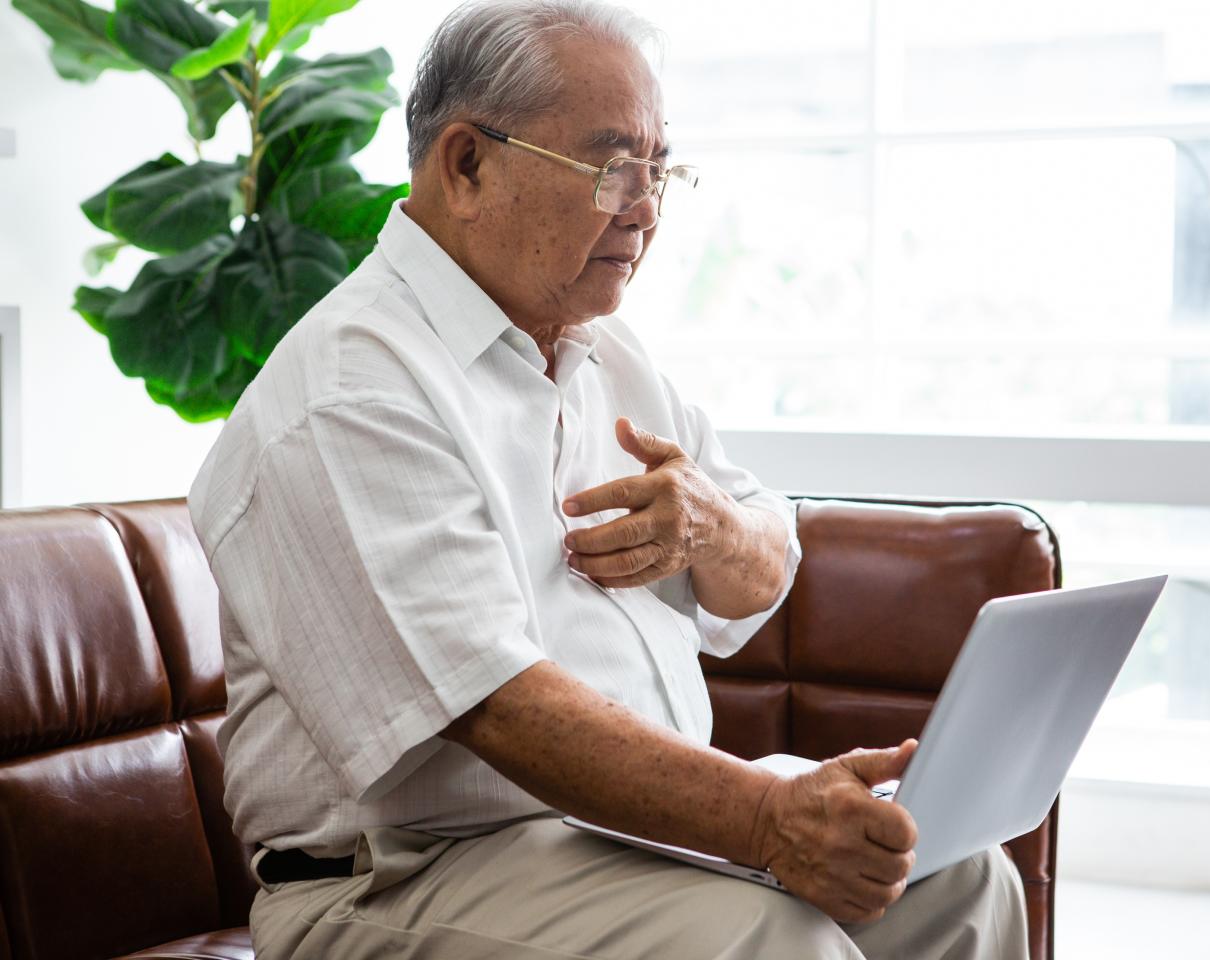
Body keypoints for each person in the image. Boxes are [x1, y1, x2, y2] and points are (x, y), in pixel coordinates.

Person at [187, 1, 1030, 957]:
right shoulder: (351, 390)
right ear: (467, 165)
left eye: (661, 168)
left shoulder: (607, 354)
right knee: (767, 934)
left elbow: (768, 564)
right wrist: (767, 819)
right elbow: (496, 707)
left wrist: (709, 528)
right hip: (400, 880)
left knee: (959, 874)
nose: (647, 206)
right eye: (612, 166)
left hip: (606, 841)